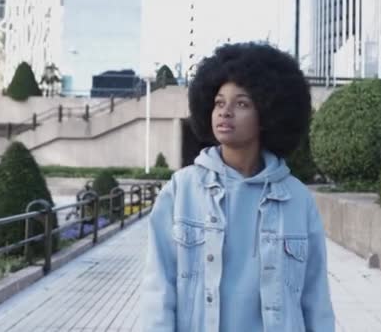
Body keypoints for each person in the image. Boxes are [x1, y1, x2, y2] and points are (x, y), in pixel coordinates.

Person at [140, 42, 335, 332]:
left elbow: (315, 297)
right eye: (219, 102)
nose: (225, 112)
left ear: (267, 115)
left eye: (241, 103)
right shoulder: (182, 190)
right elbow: (159, 288)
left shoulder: (297, 198)